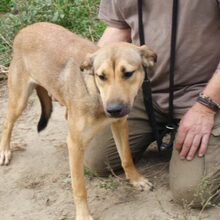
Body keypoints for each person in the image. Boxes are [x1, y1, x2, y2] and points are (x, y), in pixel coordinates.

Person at [84, 0, 220, 207]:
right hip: (142, 89)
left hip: (204, 92)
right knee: (98, 160)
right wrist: (79, 75)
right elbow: (119, 29)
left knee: (192, 193)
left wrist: (205, 107)